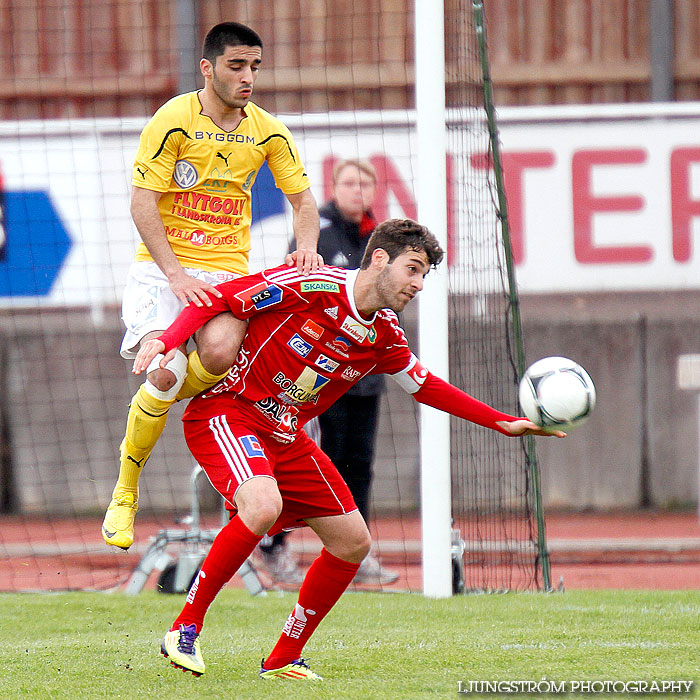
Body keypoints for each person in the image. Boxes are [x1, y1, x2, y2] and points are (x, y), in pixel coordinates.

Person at [133, 218, 564, 680]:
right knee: (261, 506)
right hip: (228, 411)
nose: (417, 284)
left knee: (353, 541)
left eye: (424, 276)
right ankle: (184, 629)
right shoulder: (312, 284)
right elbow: (220, 299)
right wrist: (166, 338)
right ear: (379, 258)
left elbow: (425, 387)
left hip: (284, 434)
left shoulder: (384, 335)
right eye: (412, 269)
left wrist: (501, 422)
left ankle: (282, 659)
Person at [101, 21, 322, 550]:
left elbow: (305, 203)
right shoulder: (173, 119)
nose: (248, 78)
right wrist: (176, 274)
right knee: (164, 370)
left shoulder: (268, 130)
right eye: (236, 66)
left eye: (255, 68)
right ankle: (126, 489)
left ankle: (171, 396)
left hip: (227, 273)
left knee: (220, 354)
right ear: (208, 67)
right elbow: (141, 203)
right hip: (163, 270)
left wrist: (308, 247)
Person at [266, 158, 395, 586]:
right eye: (349, 182)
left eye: (365, 183)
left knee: (359, 466)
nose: (358, 190)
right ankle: (274, 547)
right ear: (334, 187)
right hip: (319, 377)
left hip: (364, 376)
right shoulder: (316, 232)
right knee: (311, 464)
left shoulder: (380, 241)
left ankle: (354, 555)